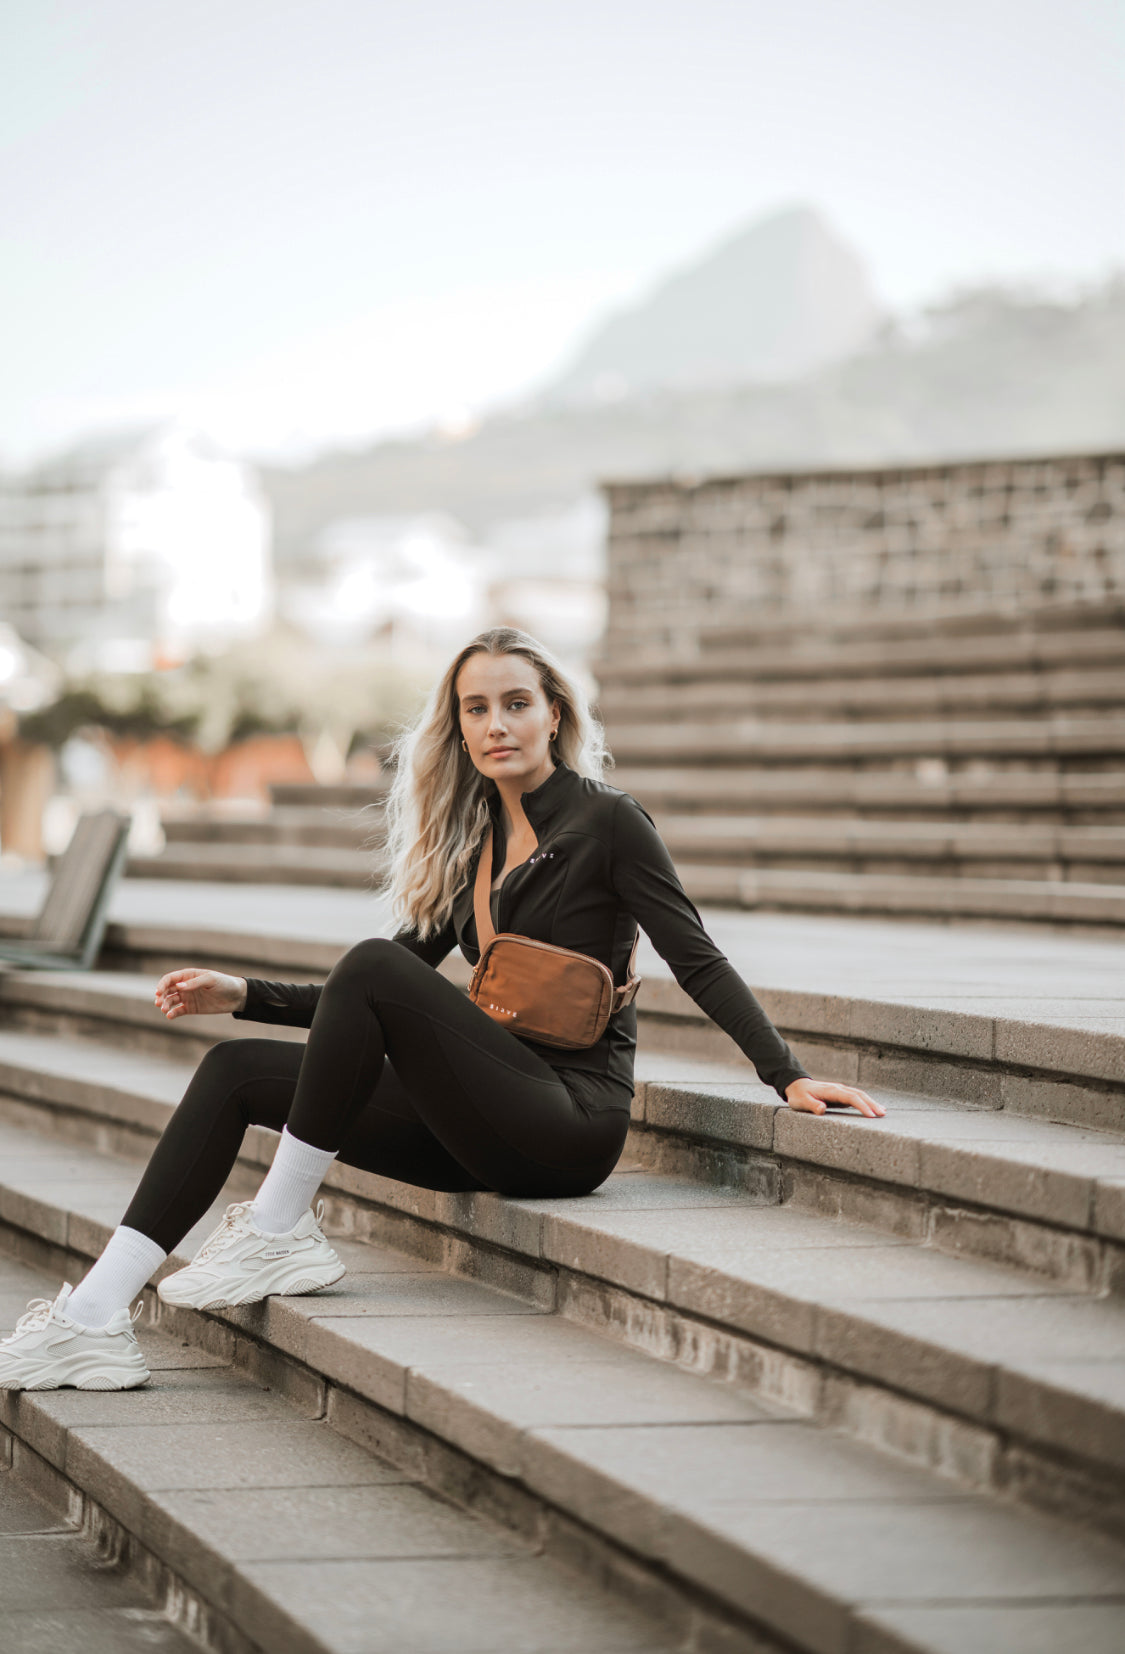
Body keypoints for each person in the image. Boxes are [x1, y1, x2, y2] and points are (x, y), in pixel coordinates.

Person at [0, 627, 884, 1390]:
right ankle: (95, 1318)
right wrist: (245, 996)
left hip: (569, 1123)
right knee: (237, 1069)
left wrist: (786, 1075)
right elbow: (361, 1001)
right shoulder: (472, 851)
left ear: (554, 716)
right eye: (475, 708)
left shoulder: (609, 823)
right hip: (483, 1118)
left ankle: (278, 1227)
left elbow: (696, 958)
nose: (496, 724)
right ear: (457, 727)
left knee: (374, 963)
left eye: (515, 704)